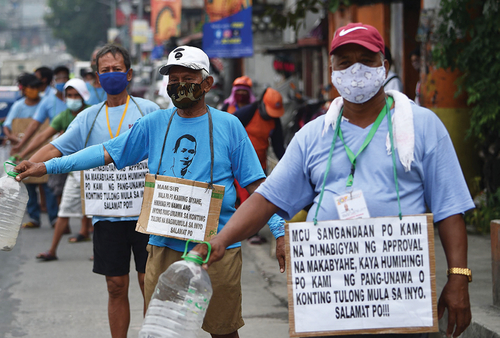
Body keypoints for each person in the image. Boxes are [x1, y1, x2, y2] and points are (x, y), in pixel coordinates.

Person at [200, 23, 474, 338]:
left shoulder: (421, 125)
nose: (355, 70)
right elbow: (267, 199)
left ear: (384, 67)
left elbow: (450, 206)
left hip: (401, 297)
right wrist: (219, 241)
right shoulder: (313, 135)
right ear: (332, 71)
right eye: (345, 62)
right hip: (330, 298)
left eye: (366, 60)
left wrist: (458, 276)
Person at [15, 45, 286, 338]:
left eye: (189, 77)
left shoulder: (229, 126)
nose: (179, 84)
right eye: (173, 78)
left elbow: (258, 186)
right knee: (163, 331)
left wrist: (280, 232)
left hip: (217, 248)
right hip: (163, 246)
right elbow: (105, 152)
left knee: (223, 331)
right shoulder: (154, 123)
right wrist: (48, 166)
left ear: (207, 83)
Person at [15, 44, 160, 338]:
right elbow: (59, 146)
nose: (110, 75)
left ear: (129, 73)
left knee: (149, 282)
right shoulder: (88, 117)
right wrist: (28, 163)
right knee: (115, 285)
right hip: (106, 214)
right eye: (104, 71)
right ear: (96, 79)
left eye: (116, 69)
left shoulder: (149, 110)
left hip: (148, 212)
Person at [32, 78, 94, 261]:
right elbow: (48, 141)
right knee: (64, 209)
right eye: (70, 95)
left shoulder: (93, 114)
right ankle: (52, 250)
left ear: (84, 96)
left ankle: (99, 252)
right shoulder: (64, 116)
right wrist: (23, 157)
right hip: (73, 170)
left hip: (95, 170)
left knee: (99, 212)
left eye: (76, 95)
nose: (73, 99)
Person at [3, 74, 58, 228]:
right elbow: (7, 126)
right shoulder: (18, 106)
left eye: (36, 88)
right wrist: (14, 139)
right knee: (29, 186)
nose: (34, 91)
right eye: (31, 88)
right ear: (24, 89)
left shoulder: (46, 103)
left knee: (48, 185)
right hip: (25, 152)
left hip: (45, 149)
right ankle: (34, 217)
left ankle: (54, 218)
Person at [234, 87, 286, 244]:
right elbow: (229, 130)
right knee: (247, 199)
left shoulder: (274, 121)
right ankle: (249, 233)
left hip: (260, 165)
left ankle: (249, 230)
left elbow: (278, 147)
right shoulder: (247, 113)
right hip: (241, 164)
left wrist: (286, 165)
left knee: (259, 198)